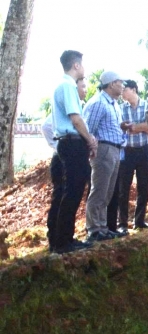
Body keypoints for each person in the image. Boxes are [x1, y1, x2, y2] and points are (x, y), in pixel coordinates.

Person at [45, 62, 93, 254]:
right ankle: (63, 241)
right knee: (72, 192)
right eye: (83, 64)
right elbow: (76, 119)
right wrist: (90, 140)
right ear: (76, 65)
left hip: (66, 143)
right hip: (72, 143)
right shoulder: (68, 86)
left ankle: (57, 238)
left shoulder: (61, 86)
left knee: (63, 192)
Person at [82, 71, 128, 242]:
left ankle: (102, 227)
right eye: (120, 82)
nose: (122, 86)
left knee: (107, 192)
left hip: (115, 149)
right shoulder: (98, 103)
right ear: (111, 84)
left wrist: (122, 127)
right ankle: (94, 229)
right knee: (99, 190)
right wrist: (92, 149)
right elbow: (88, 129)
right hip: (103, 149)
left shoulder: (114, 104)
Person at [107, 80, 148, 233]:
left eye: (125, 89)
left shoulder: (147, 106)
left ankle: (139, 221)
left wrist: (136, 127)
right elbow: (119, 129)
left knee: (144, 187)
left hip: (144, 150)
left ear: (133, 89)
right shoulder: (120, 108)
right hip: (126, 151)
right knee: (123, 188)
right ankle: (122, 223)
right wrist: (142, 127)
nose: (122, 92)